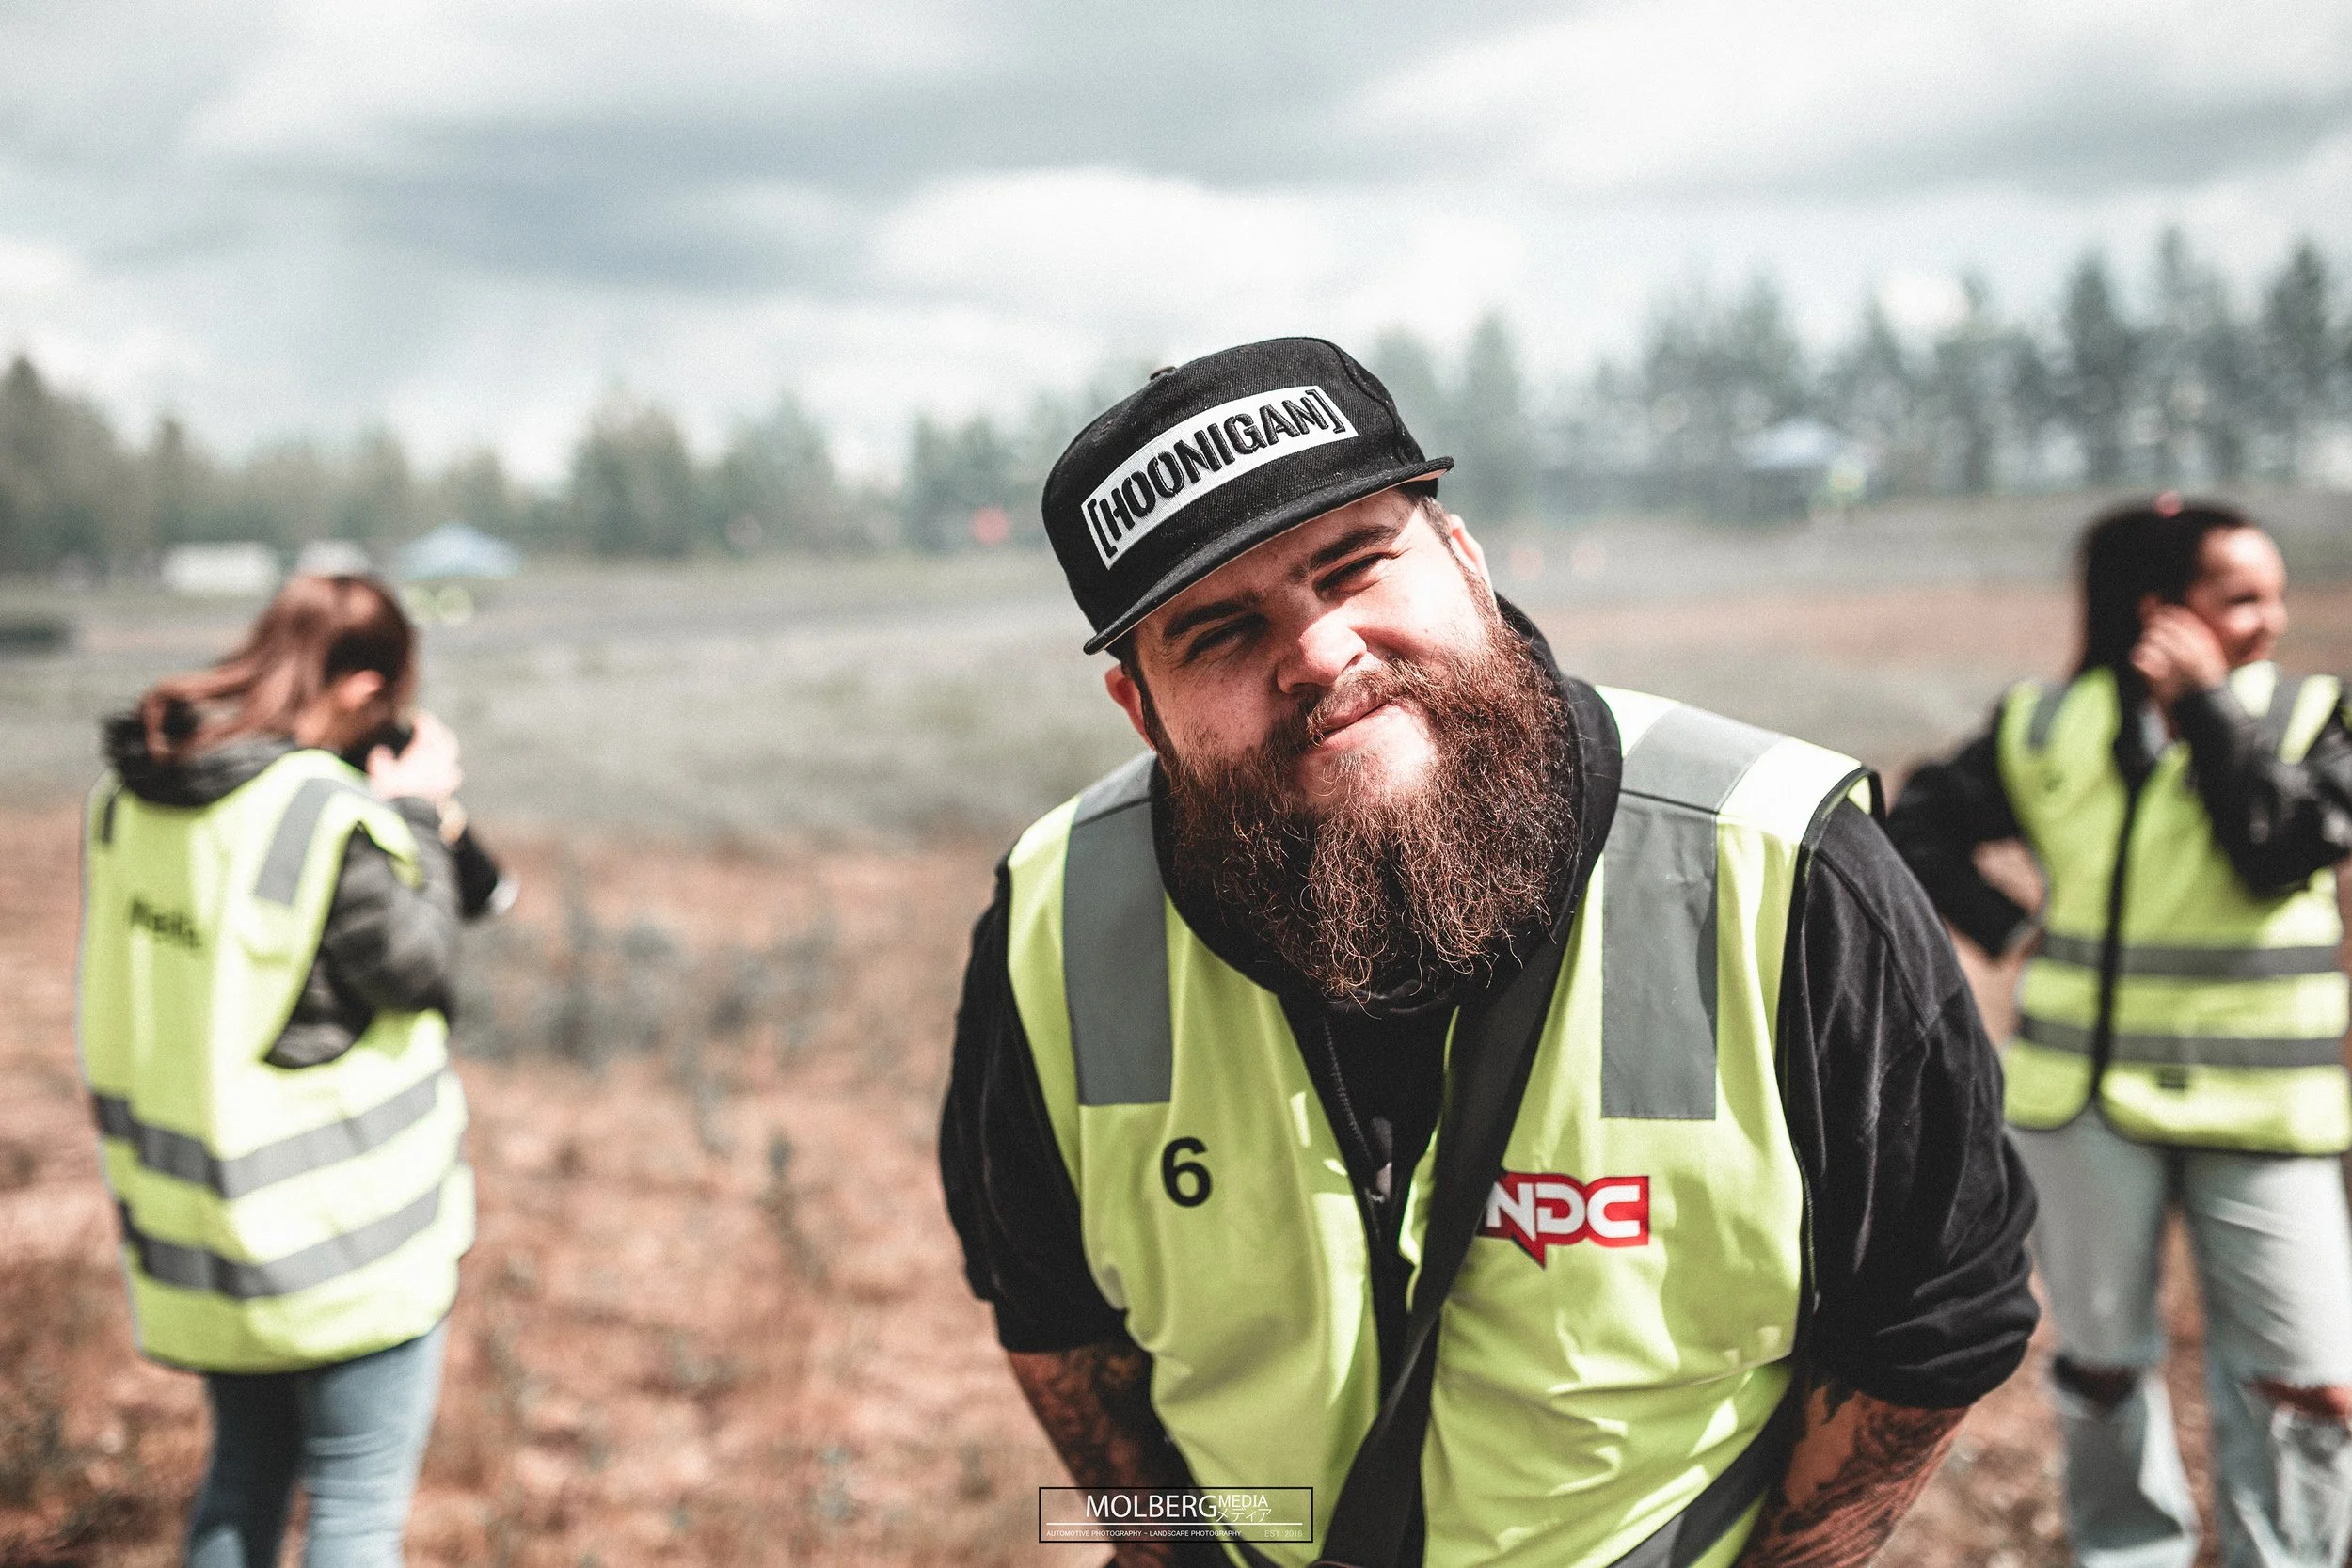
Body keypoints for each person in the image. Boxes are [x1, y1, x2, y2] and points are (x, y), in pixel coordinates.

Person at [939, 338, 2038, 1568]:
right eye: (1217, 631)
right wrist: (1180, 1551)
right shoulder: (1055, 919)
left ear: (1462, 555)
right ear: (1140, 708)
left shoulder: (1785, 868)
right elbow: (1052, 1320)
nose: (1316, 650)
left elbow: (1937, 1316)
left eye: (1352, 565)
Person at [1889, 496, 2352, 1568]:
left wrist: (2206, 708)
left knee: (2310, 1381)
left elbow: (2281, 843)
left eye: (2276, 594)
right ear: (2157, 608)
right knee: (2100, 1368)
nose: (2271, 620)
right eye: (2241, 597)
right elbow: (1917, 821)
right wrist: (2010, 923)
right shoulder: (2046, 724)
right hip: (2082, 1106)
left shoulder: (2311, 716)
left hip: (2265, 1109)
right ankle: (2127, 1553)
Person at [77, 574, 479, 1568]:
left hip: (201, 1235)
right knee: (352, 1503)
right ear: (360, 686)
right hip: (342, 1243)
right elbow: (422, 966)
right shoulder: (320, 813)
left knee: (243, 1481)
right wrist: (421, 813)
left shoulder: (135, 795)